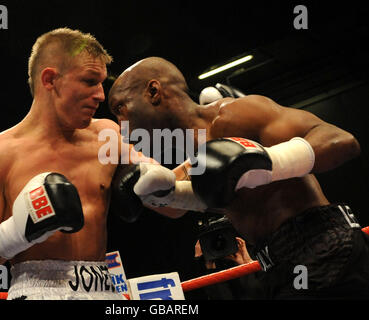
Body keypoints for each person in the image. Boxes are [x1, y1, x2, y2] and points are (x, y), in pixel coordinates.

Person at [107, 56, 369, 299]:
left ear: (153, 92)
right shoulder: (200, 158)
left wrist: (264, 162)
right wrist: (153, 190)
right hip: (274, 264)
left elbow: (341, 141)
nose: (120, 124)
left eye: (121, 108)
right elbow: (175, 205)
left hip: (323, 245)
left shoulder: (235, 116)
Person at [0, 29, 179, 300]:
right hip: (35, 289)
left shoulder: (106, 136)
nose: (100, 95)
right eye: (89, 81)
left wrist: (208, 155)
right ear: (50, 79)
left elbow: (173, 203)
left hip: (104, 289)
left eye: (101, 83)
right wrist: (19, 231)